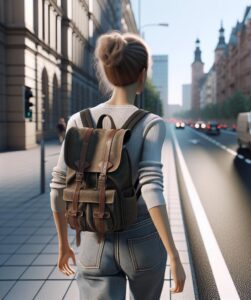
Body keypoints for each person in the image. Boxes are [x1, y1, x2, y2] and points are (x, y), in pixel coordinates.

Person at [49, 30, 186, 300]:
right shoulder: (151, 124)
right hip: (142, 240)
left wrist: (64, 244)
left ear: (107, 73)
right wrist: (173, 253)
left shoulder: (79, 120)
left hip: (92, 240)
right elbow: (151, 189)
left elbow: (57, 188)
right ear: (142, 75)